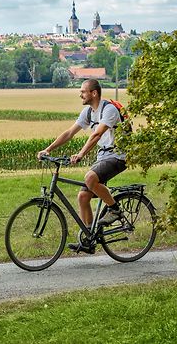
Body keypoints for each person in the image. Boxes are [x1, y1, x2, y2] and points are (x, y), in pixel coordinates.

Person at [37, 79, 126, 254]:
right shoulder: (88, 112)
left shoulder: (109, 110)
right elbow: (69, 133)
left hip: (119, 155)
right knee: (83, 197)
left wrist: (81, 154)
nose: (80, 95)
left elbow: (96, 135)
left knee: (90, 178)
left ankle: (115, 210)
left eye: (83, 92)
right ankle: (89, 240)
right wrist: (48, 149)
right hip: (104, 156)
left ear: (94, 93)